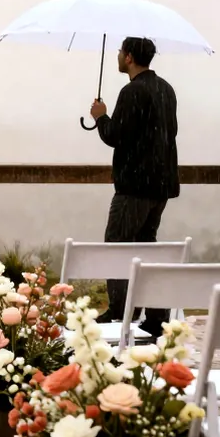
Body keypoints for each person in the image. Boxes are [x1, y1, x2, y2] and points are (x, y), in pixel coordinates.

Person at [89, 36, 179, 329]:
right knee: (146, 247)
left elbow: (116, 136)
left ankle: (120, 312)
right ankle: (155, 316)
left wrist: (101, 117)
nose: (118, 56)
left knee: (117, 246)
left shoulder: (132, 91)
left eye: (120, 52)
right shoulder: (165, 89)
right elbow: (169, 132)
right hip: (160, 185)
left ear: (128, 57)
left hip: (134, 187)